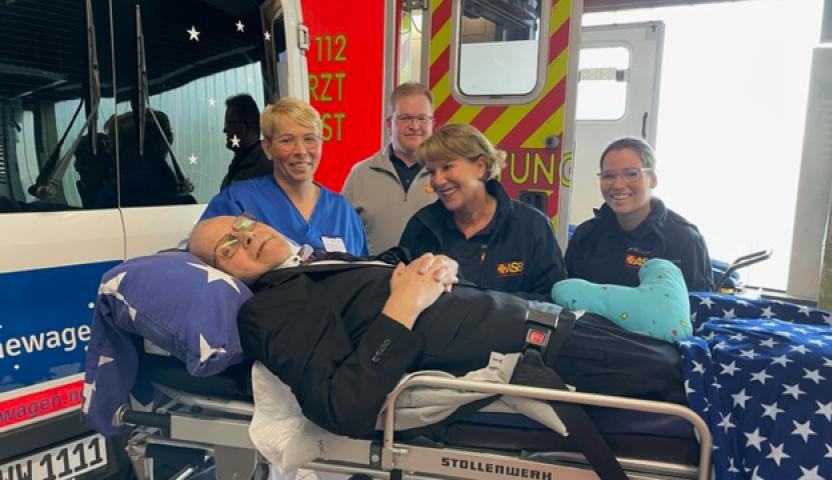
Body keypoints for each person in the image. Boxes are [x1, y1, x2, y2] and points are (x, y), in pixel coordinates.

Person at [188, 215, 685, 438]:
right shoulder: (270, 307)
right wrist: (402, 305)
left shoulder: (316, 263)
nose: (244, 238)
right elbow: (342, 406)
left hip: (554, 323)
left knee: (697, 355)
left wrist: (441, 266)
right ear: (222, 274)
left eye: (241, 225)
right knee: (703, 384)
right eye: (227, 248)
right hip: (551, 354)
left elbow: (402, 270)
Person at [399, 124, 564, 300]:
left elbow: (552, 301)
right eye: (432, 172)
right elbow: (400, 294)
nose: (437, 181)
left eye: (447, 167)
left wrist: (487, 307)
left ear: (480, 167)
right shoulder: (421, 226)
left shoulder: (532, 227)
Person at [201, 97, 367, 255]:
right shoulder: (238, 201)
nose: (300, 151)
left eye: (309, 139)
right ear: (267, 148)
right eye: (287, 140)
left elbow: (362, 271)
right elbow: (201, 257)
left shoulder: (343, 212)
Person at [564, 137, 713, 291]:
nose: (618, 185)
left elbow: (697, 303)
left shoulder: (685, 241)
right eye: (608, 175)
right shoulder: (586, 235)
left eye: (631, 174)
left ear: (653, 179)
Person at [342, 82, 437, 254]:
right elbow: (341, 234)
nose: (414, 126)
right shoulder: (361, 174)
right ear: (389, 124)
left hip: (432, 272)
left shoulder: (446, 175)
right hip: (374, 272)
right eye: (405, 118)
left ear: (433, 123)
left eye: (422, 118)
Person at [220, 94, 273, 190]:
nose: (225, 129)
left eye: (229, 123)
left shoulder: (266, 169)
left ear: (244, 126)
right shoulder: (239, 165)